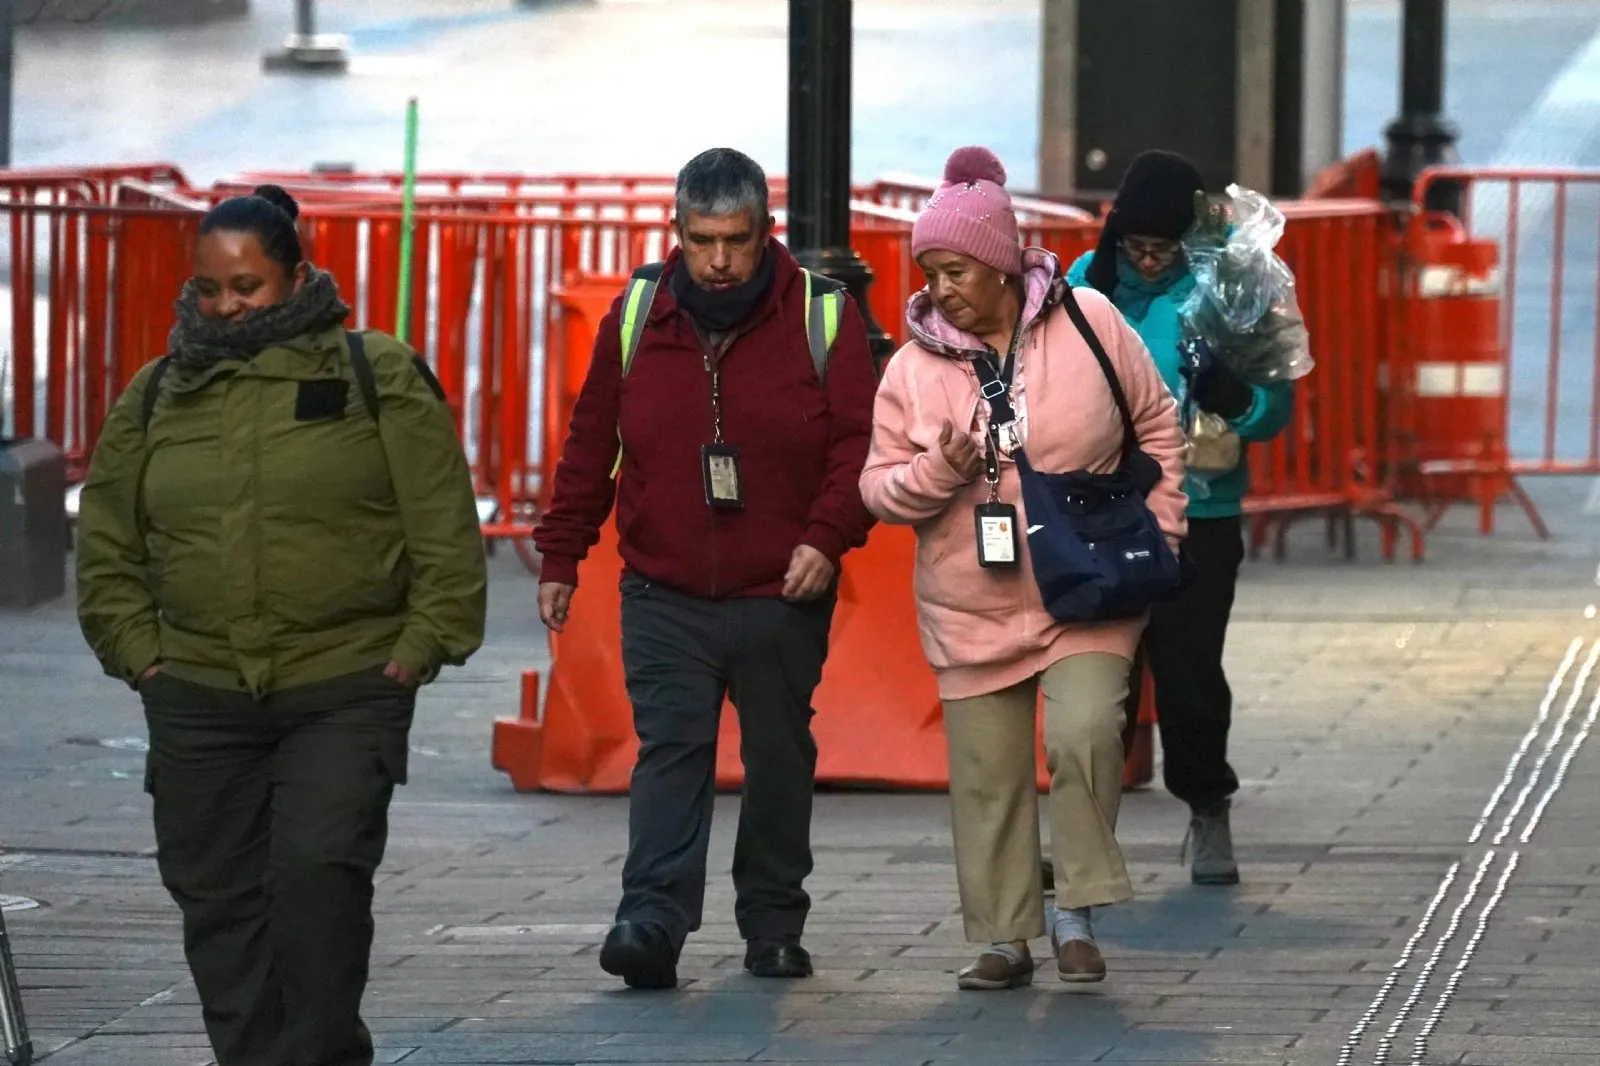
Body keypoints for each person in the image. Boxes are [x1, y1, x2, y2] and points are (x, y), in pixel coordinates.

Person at [76, 185, 488, 1066]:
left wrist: (417, 651)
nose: (226, 304)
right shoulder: (157, 392)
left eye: (248, 286)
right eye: (211, 288)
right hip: (195, 692)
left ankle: (323, 1054)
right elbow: (106, 543)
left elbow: (445, 529)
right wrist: (142, 659)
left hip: (345, 685)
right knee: (216, 899)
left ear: (295, 276)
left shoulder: (371, 370)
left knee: (318, 882)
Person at [533, 148, 879, 990]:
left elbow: (859, 448)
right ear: (677, 234)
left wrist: (825, 540)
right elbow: (593, 442)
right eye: (701, 241)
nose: (719, 261)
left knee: (778, 755)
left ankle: (771, 924)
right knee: (671, 752)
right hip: (663, 587)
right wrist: (562, 552)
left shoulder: (822, 318)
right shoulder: (639, 314)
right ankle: (650, 919)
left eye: (736, 240)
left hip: (782, 590)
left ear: (768, 233)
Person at [860, 147, 1187, 990]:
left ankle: (1074, 911)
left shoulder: (1091, 323)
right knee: (989, 777)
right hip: (970, 602)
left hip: (1090, 586)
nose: (942, 289)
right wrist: (938, 471)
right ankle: (1005, 939)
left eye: (957, 269)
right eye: (929, 272)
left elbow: (1157, 425)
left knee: (1084, 731)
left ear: (1003, 266)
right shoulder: (911, 367)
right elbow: (876, 489)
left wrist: (1166, 532)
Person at [1067, 150, 1296, 885]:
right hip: (1106, 512)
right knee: (1098, 680)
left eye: (1162, 249)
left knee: (1190, 674)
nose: (1149, 261)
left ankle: (1207, 809)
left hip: (1201, 511)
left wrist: (1234, 396)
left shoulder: (1232, 285)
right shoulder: (1083, 284)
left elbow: (1273, 415)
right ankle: (1086, 833)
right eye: (1136, 247)